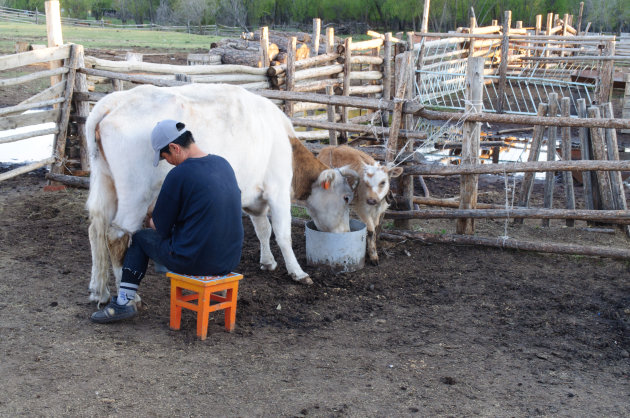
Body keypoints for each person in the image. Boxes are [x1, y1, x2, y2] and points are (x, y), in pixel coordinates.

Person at [91, 120, 244, 323]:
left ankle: (123, 302)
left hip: (195, 262)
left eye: (166, 157)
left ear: (174, 148)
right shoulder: (223, 164)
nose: (168, 162)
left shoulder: (179, 174)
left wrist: (149, 217)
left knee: (141, 239)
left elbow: (159, 228)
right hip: (229, 259)